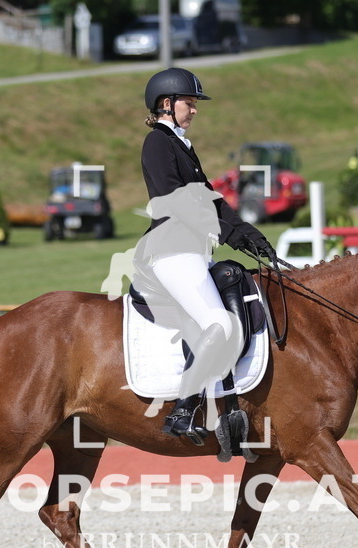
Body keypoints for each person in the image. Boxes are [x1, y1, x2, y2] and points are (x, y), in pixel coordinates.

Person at [133, 67, 276, 441]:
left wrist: (248, 233)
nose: (194, 110)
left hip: (193, 252)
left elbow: (209, 198)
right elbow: (174, 198)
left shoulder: (181, 144)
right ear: (167, 104)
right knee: (219, 325)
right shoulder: (158, 144)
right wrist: (227, 231)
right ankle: (182, 410)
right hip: (171, 251)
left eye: (195, 104)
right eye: (189, 103)